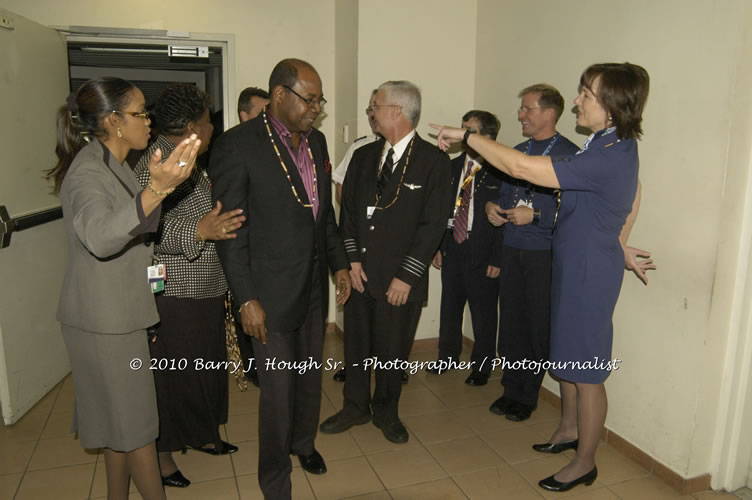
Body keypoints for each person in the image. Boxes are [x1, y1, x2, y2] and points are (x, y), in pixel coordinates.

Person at [432, 62, 655, 493]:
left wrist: (471, 137)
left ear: (612, 105)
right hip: (578, 261)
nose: (577, 100)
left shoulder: (610, 152)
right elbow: (634, 190)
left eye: (586, 94)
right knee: (567, 360)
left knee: (586, 371)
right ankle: (569, 430)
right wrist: (618, 239)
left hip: (587, 272)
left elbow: (524, 169)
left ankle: (585, 462)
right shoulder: (607, 143)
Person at [47, 76, 201, 500]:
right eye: (139, 113)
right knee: (137, 431)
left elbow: (139, 236)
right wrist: (157, 189)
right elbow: (99, 236)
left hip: (121, 312)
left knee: (121, 428)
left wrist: (157, 188)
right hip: (103, 323)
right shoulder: (87, 173)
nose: (148, 120)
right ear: (114, 121)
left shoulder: (117, 166)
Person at [210, 58, 351, 500]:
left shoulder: (319, 143)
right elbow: (230, 233)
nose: (317, 108)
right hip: (267, 295)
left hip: (311, 288)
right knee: (277, 391)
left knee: (309, 377)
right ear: (279, 95)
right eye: (310, 99)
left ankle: (303, 444)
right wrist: (245, 297)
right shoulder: (240, 145)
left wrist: (340, 264)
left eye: (319, 99)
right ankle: (274, 479)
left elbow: (322, 217)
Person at [320, 81, 451, 444]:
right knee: (356, 345)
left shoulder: (433, 162)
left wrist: (407, 277)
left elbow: (432, 226)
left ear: (397, 111)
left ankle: (387, 411)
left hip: (400, 279)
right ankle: (354, 406)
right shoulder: (362, 156)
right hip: (361, 274)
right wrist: (352, 260)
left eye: (374, 105)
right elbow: (347, 214)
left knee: (393, 349)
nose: (370, 112)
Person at [133, 83, 245, 488]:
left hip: (205, 283)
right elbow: (142, 228)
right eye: (209, 118)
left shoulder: (190, 156)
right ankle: (162, 459)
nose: (214, 125)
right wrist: (198, 228)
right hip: (173, 288)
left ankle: (203, 435)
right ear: (195, 122)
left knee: (205, 367)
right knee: (172, 374)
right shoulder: (156, 161)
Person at [485, 84, 580, 421]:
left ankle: (528, 394)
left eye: (527, 109)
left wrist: (537, 215)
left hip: (545, 254)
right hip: (512, 247)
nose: (520, 115)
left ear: (549, 113)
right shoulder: (519, 151)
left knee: (536, 324)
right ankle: (510, 388)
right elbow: (504, 195)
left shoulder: (570, 155)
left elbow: (578, 214)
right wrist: (491, 206)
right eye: (522, 109)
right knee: (511, 322)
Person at [429, 110, 503, 386]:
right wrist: (438, 246)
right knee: (450, 305)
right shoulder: (451, 166)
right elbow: (442, 210)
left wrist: (498, 258)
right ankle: (447, 356)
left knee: (483, 312)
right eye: (462, 128)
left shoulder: (500, 169)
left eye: (468, 129)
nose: (462, 134)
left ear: (486, 137)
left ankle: (482, 367)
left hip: (483, 249)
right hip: (453, 246)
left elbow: (504, 217)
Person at [235, 86, 271, 386]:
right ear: (244, 116)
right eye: (262, 114)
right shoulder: (231, 149)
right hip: (241, 251)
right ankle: (253, 368)